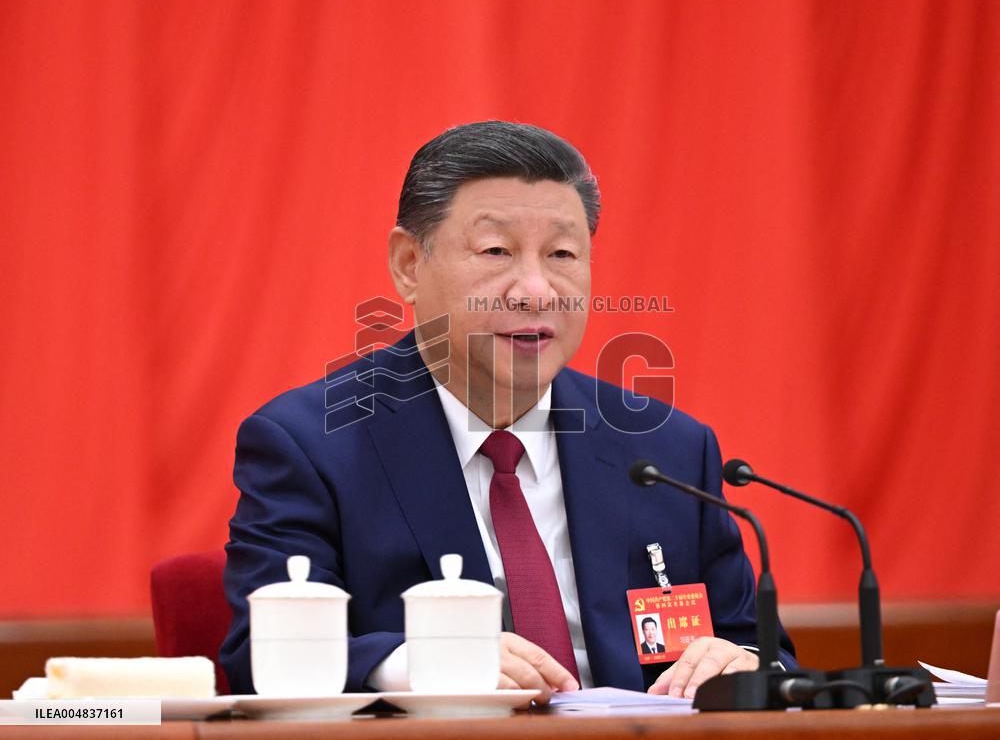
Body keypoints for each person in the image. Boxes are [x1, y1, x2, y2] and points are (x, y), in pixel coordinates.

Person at [220, 121, 796, 703]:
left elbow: (762, 649)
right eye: (496, 251)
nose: (536, 290)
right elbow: (262, 653)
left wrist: (741, 660)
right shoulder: (313, 444)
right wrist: (415, 665)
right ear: (409, 264)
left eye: (562, 254)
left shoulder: (665, 449)